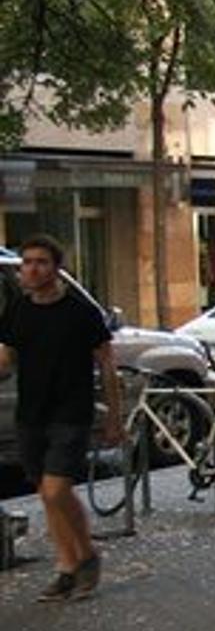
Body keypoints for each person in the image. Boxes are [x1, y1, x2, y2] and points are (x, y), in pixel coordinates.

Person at [0, 235, 121, 602]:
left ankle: (84, 555)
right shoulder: (18, 309)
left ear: (56, 269)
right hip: (31, 413)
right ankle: (69, 566)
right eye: (26, 263)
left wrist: (114, 417)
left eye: (40, 262)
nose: (31, 269)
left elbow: (107, 363)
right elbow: (6, 359)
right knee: (47, 493)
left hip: (71, 411)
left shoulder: (80, 312)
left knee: (56, 489)